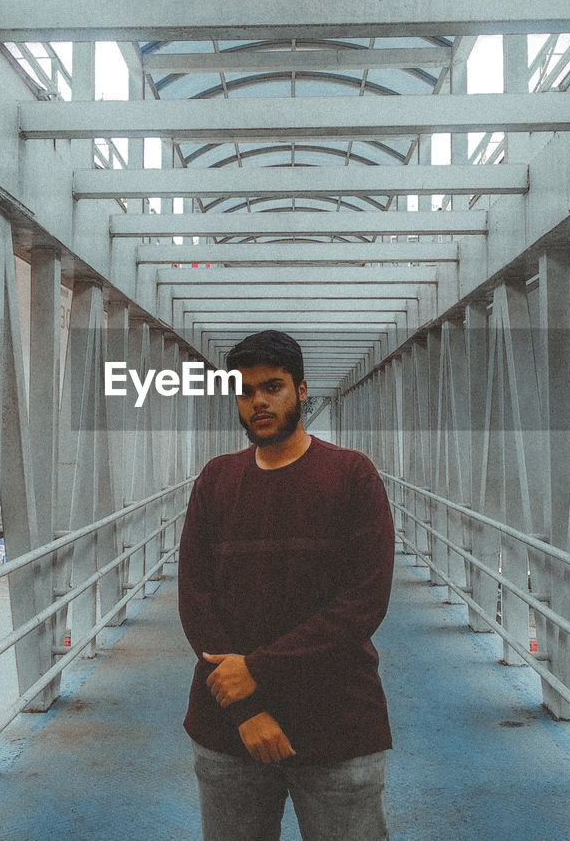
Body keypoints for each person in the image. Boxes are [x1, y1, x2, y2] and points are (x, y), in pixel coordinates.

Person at [178, 329, 396, 841]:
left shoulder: (351, 475)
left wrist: (255, 673)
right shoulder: (216, 480)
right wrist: (249, 711)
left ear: (301, 390)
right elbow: (196, 600)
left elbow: (363, 602)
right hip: (232, 730)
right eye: (245, 391)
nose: (258, 402)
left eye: (272, 387)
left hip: (336, 727)